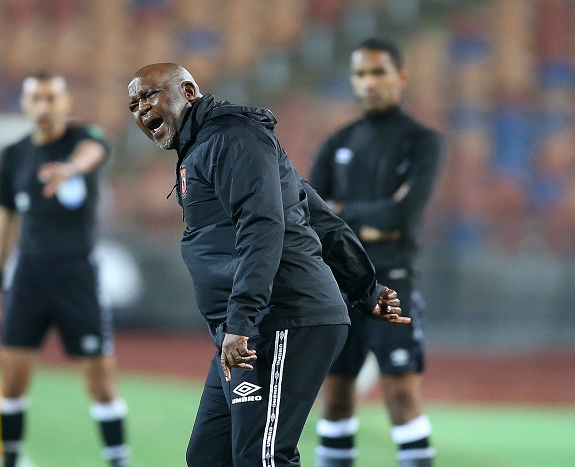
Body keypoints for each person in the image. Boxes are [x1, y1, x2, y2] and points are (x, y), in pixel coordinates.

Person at [127, 63, 410, 467]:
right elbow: (317, 215)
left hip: (280, 317)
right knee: (210, 456)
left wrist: (241, 321)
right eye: (133, 104)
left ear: (188, 92)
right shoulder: (208, 146)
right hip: (249, 325)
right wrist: (365, 288)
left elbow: (263, 226)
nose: (141, 109)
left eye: (150, 95)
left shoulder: (233, 138)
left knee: (264, 458)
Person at [0, 71, 129, 467]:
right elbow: (5, 218)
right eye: (36, 99)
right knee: (11, 381)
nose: (44, 107)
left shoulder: (85, 139)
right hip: (28, 277)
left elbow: (94, 152)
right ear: (25, 105)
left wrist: (71, 170)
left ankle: (118, 459)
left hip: (78, 276)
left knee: (100, 384)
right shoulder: (14, 155)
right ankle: (9, 459)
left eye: (51, 98)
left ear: (66, 103)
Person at [309, 37, 445, 467]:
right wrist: (369, 220)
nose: (369, 82)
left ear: (401, 76)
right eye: (361, 74)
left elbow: (404, 213)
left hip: (393, 283)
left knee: (402, 398)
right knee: (334, 402)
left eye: (378, 72)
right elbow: (310, 213)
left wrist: (343, 213)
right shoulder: (338, 141)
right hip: (340, 289)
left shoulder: (423, 141)